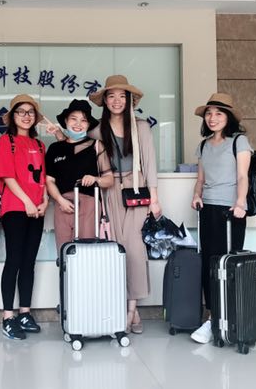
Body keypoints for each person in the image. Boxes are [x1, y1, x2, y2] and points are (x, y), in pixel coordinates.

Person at [88, 75, 161, 335]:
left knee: (135, 248)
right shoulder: (97, 132)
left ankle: (131, 310)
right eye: (112, 96)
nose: (117, 101)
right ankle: (123, 306)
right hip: (110, 190)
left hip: (137, 189)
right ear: (105, 101)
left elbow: (150, 163)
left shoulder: (141, 127)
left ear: (129, 100)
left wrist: (154, 198)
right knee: (115, 247)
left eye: (122, 96)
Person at [189, 92, 252, 344]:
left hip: (231, 211)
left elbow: (243, 176)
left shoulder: (239, 142)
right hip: (208, 209)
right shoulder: (204, 145)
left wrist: (240, 203)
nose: (212, 118)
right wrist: (196, 195)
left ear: (228, 118)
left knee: (229, 265)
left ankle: (232, 317)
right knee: (209, 264)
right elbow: (200, 179)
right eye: (209, 113)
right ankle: (213, 318)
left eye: (218, 113)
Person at [0, 94, 49, 340]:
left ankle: (25, 313)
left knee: (29, 262)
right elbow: (7, 175)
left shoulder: (40, 145)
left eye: (30, 112)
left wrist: (45, 200)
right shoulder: (6, 141)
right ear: (13, 117)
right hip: (15, 208)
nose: (26, 116)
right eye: (21, 112)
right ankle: (8, 316)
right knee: (14, 260)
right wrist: (27, 201)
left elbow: (43, 178)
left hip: (37, 210)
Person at [45, 99, 114, 252]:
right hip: (62, 205)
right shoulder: (55, 148)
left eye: (84, 120)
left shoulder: (96, 145)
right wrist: (60, 200)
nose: (78, 124)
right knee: (64, 250)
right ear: (66, 121)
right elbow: (49, 180)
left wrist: (95, 179)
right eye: (73, 119)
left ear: (88, 125)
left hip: (88, 204)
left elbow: (109, 179)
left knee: (86, 251)